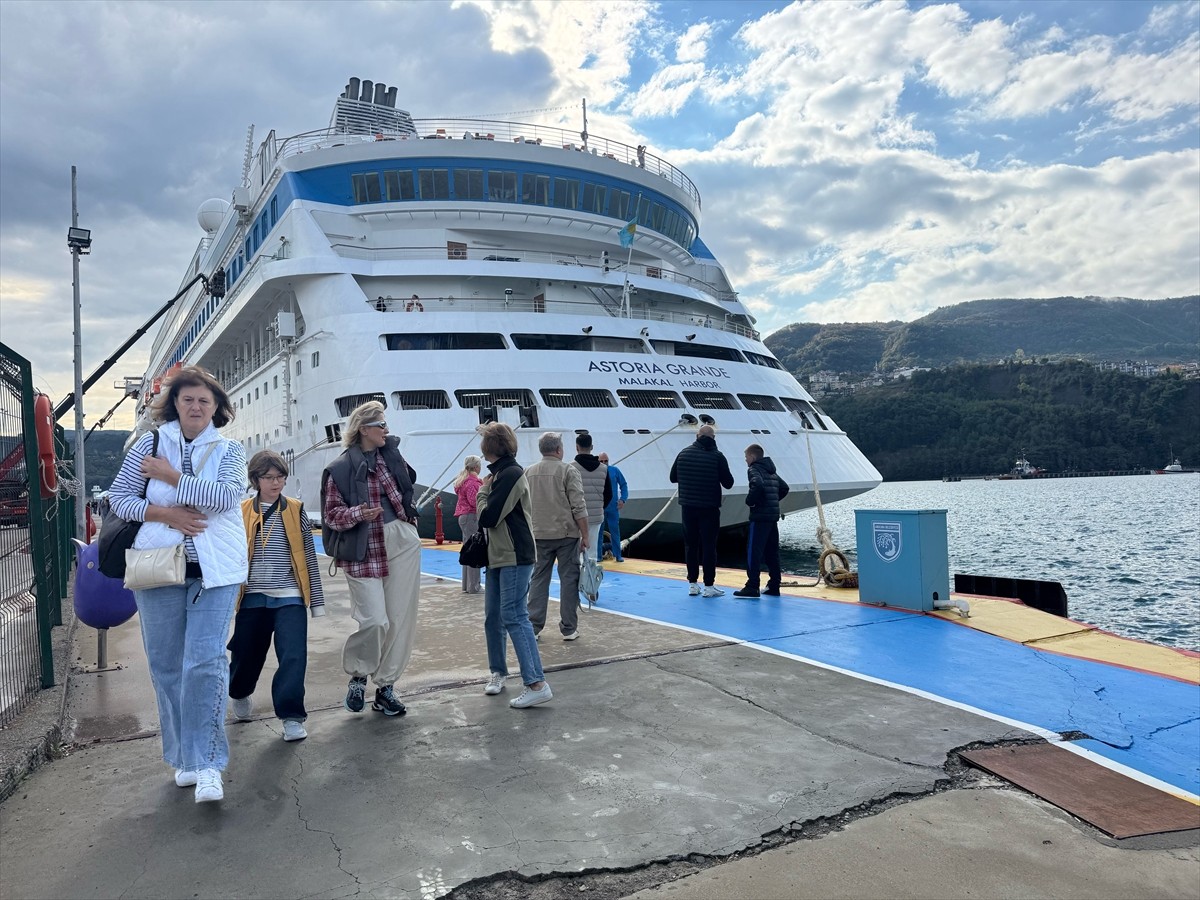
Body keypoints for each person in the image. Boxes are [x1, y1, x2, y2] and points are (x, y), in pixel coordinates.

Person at [107, 366, 247, 803]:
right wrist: (167, 514)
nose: (196, 407)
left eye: (205, 401)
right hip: (158, 568)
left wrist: (170, 479)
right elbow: (120, 500)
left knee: (204, 663)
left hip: (215, 571)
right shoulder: (147, 446)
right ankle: (184, 757)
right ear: (174, 404)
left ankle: (208, 764)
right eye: (188, 399)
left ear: (217, 408)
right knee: (167, 666)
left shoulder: (231, 450)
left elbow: (226, 498)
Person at [321, 401, 421, 718]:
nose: (386, 430)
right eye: (381, 425)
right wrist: (358, 513)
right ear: (364, 429)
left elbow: (406, 491)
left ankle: (386, 688)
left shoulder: (391, 456)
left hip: (400, 541)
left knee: (399, 619)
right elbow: (331, 516)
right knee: (375, 620)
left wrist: (409, 523)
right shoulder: (338, 469)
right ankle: (359, 674)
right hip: (362, 547)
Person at [227, 450, 325, 743]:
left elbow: (308, 555)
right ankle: (240, 691)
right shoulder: (241, 510)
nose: (276, 482)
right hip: (252, 595)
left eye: (280, 477)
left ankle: (292, 716)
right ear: (255, 479)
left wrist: (316, 601)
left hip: (290, 596)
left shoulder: (295, 509)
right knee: (246, 655)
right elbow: (230, 554)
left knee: (293, 656)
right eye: (269, 477)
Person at [475, 422, 552, 708]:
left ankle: (536, 682)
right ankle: (498, 671)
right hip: (501, 554)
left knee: (514, 615)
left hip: (514, 555)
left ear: (488, 448)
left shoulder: (508, 474)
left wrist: (482, 493)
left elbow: (488, 517)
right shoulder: (502, 473)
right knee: (494, 615)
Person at [526, 432, 588, 641]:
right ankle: (569, 628)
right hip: (566, 535)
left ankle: (534, 626)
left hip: (538, 534)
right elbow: (578, 505)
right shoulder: (568, 470)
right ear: (559, 449)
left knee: (538, 578)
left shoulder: (529, 472)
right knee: (568, 580)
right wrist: (585, 535)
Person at [669, 424, 734, 597]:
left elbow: (672, 477)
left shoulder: (683, 453)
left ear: (697, 436)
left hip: (688, 507)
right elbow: (728, 482)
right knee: (709, 546)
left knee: (691, 545)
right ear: (713, 438)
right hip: (709, 508)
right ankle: (709, 587)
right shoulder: (717, 456)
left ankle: (692, 584)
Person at [734, 444, 790, 599]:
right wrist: (772, 502)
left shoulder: (754, 469)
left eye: (746, 457)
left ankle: (752, 586)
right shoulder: (771, 470)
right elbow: (784, 488)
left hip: (759, 517)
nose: (745, 460)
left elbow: (757, 484)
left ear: (752, 457)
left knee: (754, 552)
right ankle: (774, 585)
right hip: (772, 516)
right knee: (772, 552)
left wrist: (751, 502)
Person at [570, 432, 611, 556]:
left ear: (577, 447)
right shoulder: (603, 469)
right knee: (591, 552)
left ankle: (577, 575)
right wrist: (599, 508)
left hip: (574, 517)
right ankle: (589, 575)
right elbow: (609, 494)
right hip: (595, 516)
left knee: (575, 553)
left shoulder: (570, 468)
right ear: (591, 447)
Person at [453, 455, 484, 594]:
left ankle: (467, 585)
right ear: (477, 466)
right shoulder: (473, 482)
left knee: (467, 549)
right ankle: (474, 586)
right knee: (474, 550)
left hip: (464, 517)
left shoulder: (463, 481)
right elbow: (474, 502)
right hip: (472, 517)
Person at [596, 451, 629, 562]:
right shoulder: (595, 471)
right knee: (599, 532)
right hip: (600, 507)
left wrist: (623, 499)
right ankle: (598, 555)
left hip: (613, 507)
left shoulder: (614, 470)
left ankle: (617, 555)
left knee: (615, 531)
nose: (604, 463)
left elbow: (623, 485)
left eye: (606, 461)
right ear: (598, 461)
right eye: (601, 461)